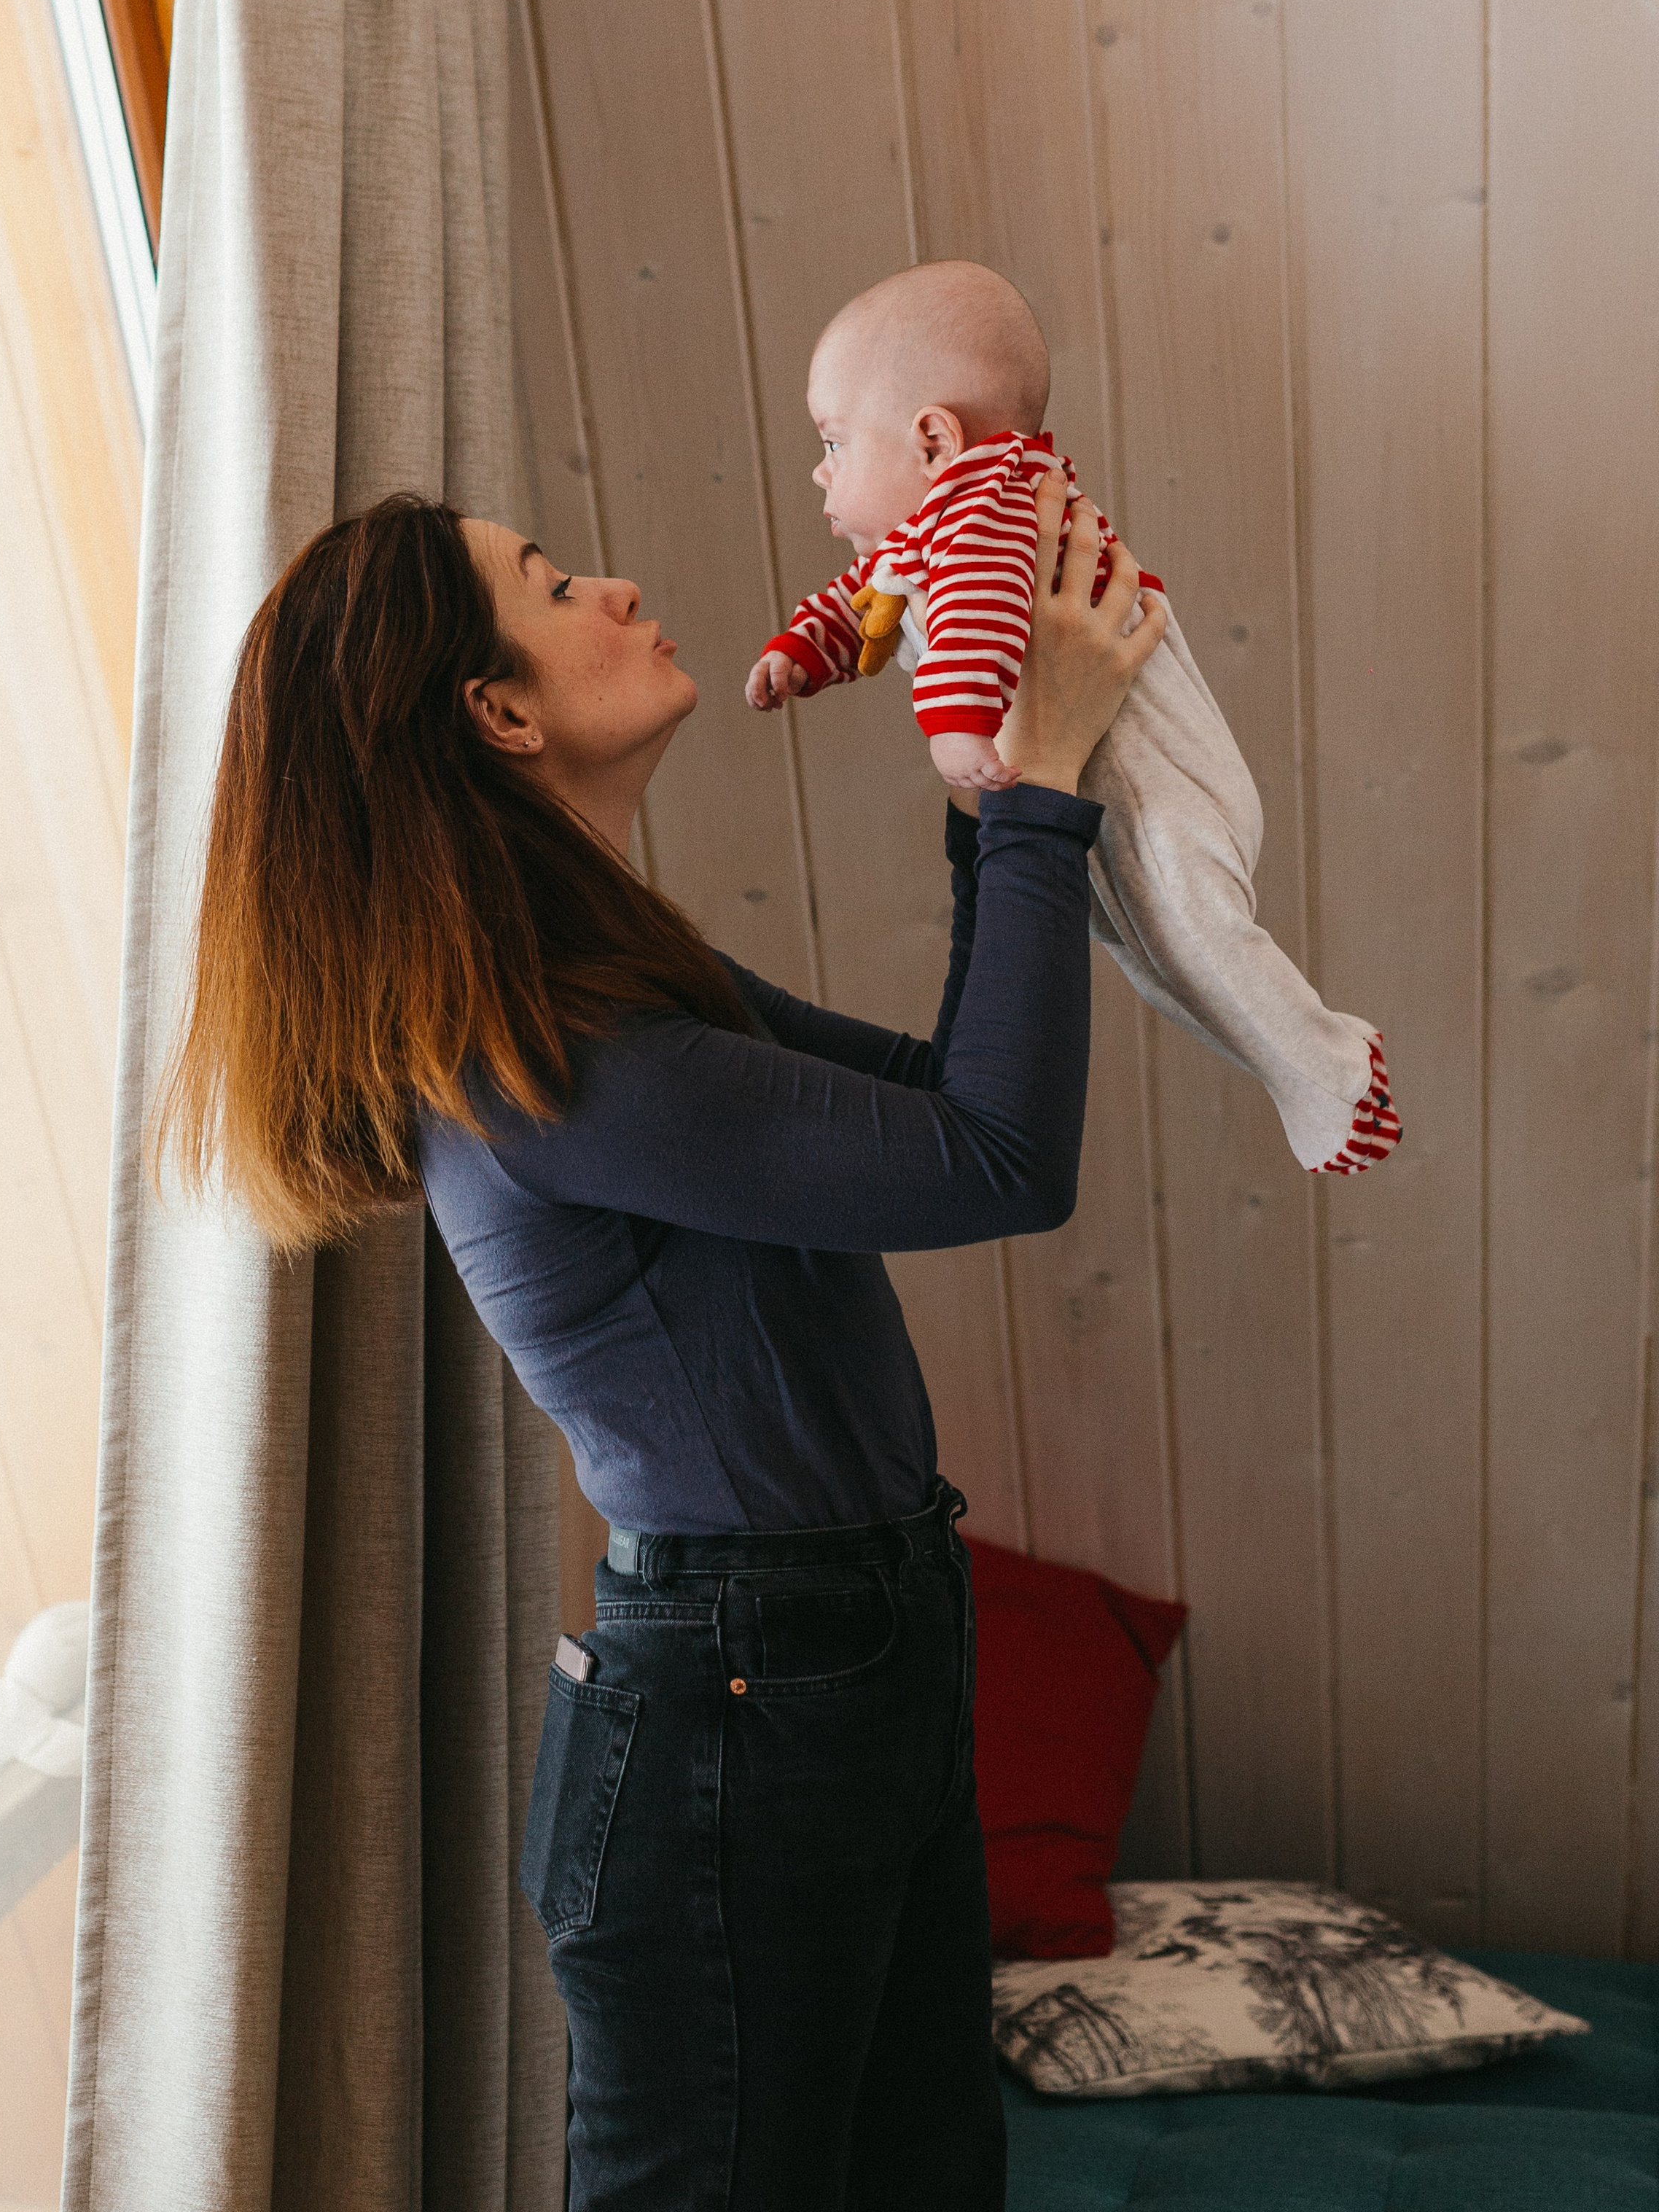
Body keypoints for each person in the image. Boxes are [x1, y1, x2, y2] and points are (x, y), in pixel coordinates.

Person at [157, 470, 1163, 2211]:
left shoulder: (615, 974)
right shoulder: (545, 1047)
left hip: (840, 1652)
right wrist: (1033, 783)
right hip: (744, 1697)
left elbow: (939, 1104)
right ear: (499, 710)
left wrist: (991, 776)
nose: (615, 585)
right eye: (554, 586)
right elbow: (998, 1156)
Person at [746, 260, 1401, 1178]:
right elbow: (864, 599)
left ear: (933, 439)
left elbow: (976, 611)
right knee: (1144, 946)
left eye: (834, 440)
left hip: (1146, 762)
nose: (820, 468)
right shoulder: (934, 526)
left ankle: (1331, 1072)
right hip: (1093, 765)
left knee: (1189, 930)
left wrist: (955, 726)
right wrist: (798, 652)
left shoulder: (989, 507)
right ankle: (1295, 1073)